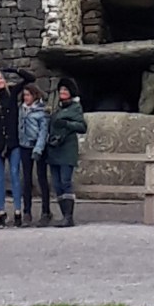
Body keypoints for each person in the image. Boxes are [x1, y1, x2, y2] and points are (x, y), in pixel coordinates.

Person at [0, 66, 36, 227]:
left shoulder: (11, 93)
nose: (0, 81)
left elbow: (30, 78)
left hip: (13, 142)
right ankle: (1, 212)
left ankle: (18, 211)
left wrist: (15, 70)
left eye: (1, 78)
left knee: (14, 174)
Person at [47, 77, 87, 228]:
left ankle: (68, 217)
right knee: (57, 184)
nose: (62, 92)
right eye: (61, 89)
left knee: (65, 182)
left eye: (65, 89)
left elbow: (82, 127)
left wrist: (66, 124)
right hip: (54, 149)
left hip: (67, 150)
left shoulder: (75, 108)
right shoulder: (57, 108)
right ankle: (64, 215)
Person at [18, 83, 51, 227]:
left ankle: (46, 211)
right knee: (26, 179)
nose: (26, 98)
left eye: (28, 95)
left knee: (42, 178)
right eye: (25, 95)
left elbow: (43, 132)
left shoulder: (41, 112)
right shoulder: (21, 109)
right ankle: (27, 212)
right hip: (25, 145)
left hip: (38, 147)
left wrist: (38, 149)